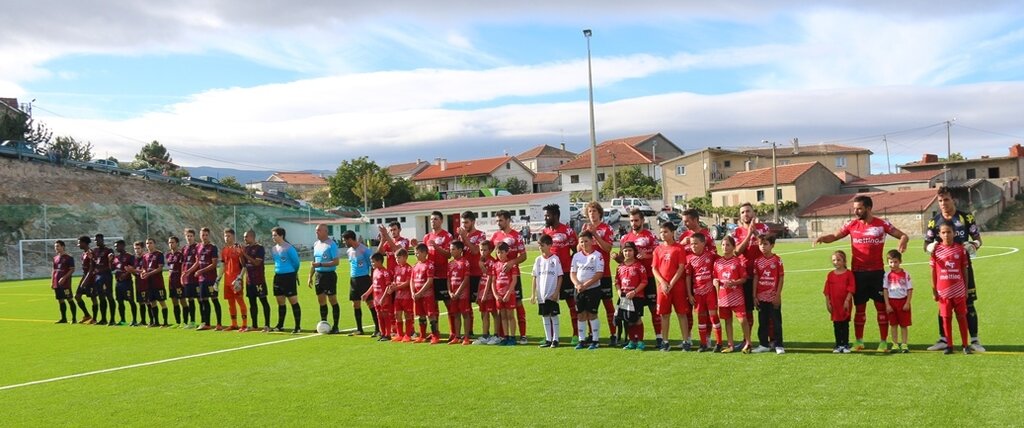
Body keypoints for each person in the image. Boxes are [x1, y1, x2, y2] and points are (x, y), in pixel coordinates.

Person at [814, 195, 909, 352]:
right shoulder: (852, 224)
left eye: (859, 208)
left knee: (881, 308)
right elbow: (836, 236)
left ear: (868, 208)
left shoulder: (881, 224)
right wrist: (823, 238)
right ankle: (859, 341)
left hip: (877, 273)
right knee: (860, 309)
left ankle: (883, 342)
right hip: (858, 274)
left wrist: (903, 241)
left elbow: (902, 235)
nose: (856, 211)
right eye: (855, 208)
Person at [923, 187, 985, 352]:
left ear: (953, 200)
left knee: (968, 302)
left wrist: (973, 245)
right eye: (940, 200)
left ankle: (974, 340)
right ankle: (944, 339)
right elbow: (926, 244)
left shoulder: (966, 217)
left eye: (946, 200)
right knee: (943, 303)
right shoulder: (934, 221)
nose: (943, 203)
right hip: (942, 271)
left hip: (962, 267)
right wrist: (931, 246)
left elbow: (978, 239)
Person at [615, 208, 662, 347]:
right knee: (631, 312)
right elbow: (622, 259)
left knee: (654, 308)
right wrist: (616, 258)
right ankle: (633, 339)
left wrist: (647, 256)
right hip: (630, 283)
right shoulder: (625, 238)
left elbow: (658, 253)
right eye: (631, 220)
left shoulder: (650, 236)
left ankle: (659, 337)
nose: (634, 223)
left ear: (642, 220)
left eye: (636, 220)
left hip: (648, 277)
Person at [931, 222, 972, 355]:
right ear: (939, 234)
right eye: (943, 232)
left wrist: (965, 289)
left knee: (962, 317)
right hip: (943, 292)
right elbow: (933, 272)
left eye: (949, 232)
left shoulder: (960, 250)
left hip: (959, 290)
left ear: (954, 233)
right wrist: (934, 290)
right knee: (946, 318)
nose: (946, 235)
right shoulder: (935, 251)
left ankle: (965, 344)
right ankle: (949, 345)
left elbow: (964, 271)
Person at [580, 202, 617, 346]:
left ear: (599, 213)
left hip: (604, 274)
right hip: (588, 275)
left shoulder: (606, 228)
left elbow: (608, 248)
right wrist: (583, 237)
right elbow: (579, 249)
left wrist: (595, 233)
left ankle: (613, 334)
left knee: (608, 306)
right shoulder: (585, 228)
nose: (592, 214)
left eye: (594, 211)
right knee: (589, 308)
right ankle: (591, 334)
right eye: (589, 211)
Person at [541, 203, 578, 344]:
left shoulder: (567, 231)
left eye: (548, 215)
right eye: (545, 215)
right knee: (549, 305)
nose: (546, 218)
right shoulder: (545, 232)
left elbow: (576, 250)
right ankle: (550, 337)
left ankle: (576, 334)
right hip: (550, 276)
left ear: (555, 215)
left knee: (572, 304)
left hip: (566, 273)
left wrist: (571, 266)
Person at [491, 210, 528, 345]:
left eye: (500, 220)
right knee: (502, 308)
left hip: (513, 276)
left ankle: (522, 335)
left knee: (517, 304)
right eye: (497, 221)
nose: (498, 223)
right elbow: (488, 252)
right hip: (500, 277)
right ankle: (504, 336)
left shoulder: (516, 236)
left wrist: (512, 262)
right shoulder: (495, 236)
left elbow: (524, 256)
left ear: (507, 220)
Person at [734, 203, 770, 333]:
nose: (745, 214)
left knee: (765, 308)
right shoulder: (737, 231)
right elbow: (736, 252)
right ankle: (747, 340)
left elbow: (768, 246)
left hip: (763, 275)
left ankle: (769, 340)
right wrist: (748, 235)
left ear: (753, 213)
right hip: (745, 275)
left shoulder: (763, 227)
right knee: (747, 309)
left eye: (748, 211)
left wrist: (755, 233)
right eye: (742, 212)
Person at [653, 222, 688, 352]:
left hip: (677, 286)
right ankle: (665, 341)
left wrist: (671, 283)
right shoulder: (658, 249)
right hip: (663, 288)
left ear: (673, 232)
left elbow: (681, 268)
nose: (663, 234)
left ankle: (686, 341)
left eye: (666, 232)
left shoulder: (679, 248)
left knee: (681, 314)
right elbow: (654, 268)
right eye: (661, 232)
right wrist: (662, 282)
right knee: (664, 315)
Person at [713, 236, 749, 353]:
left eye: (728, 245)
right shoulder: (717, 262)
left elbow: (744, 278)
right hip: (723, 296)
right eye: (723, 245)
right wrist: (715, 281)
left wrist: (734, 282)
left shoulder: (738, 261)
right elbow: (715, 277)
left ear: (733, 247)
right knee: (727, 321)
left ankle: (748, 343)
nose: (725, 247)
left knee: (742, 320)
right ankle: (731, 345)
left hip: (736, 296)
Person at [685, 233, 721, 352]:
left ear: (703, 243)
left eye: (695, 243)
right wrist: (689, 294)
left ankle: (719, 343)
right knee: (701, 318)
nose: (693, 246)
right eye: (691, 244)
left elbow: (722, 264)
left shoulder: (711, 256)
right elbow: (688, 277)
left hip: (710, 291)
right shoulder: (689, 258)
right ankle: (703, 344)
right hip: (698, 293)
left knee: (713, 317)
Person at [570, 231, 604, 350]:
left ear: (592, 241)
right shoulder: (576, 256)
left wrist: (585, 285)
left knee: (592, 314)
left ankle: (595, 340)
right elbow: (572, 273)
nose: (584, 244)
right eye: (581, 242)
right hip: (579, 290)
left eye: (586, 241)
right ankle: (581, 340)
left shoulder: (597, 255)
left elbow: (599, 274)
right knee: (581, 314)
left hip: (593, 289)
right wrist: (577, 284)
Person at [456, 211, 487, 340]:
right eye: (462, 223)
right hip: (466, 275)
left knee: (482, 303)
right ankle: (470, 331)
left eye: (466, 222)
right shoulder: (460, 237)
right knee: (466, 304)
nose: (464, 225)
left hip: (478, 274)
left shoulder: (481, 235)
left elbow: (475, 251)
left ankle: (487, 332)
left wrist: (465, 238)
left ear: (473, 222)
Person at [752, 235, 785, 354]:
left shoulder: (777, 260)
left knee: (776, 322)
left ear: (772, 245)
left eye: (765, 244)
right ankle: (763, 344)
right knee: (763, 322)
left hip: (773, 296)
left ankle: (779, 345)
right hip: (761, 297)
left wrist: (777, 295)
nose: (763, 247)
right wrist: (754, 296)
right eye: (761, 244)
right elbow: (756, 277)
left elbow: (781, 278)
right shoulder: (757, 261)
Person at [423, 211, 453, 338]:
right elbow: (424, 256)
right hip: (431, 276)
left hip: (443, 275)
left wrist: (436, 247)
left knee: (448, 304)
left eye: (435, 219)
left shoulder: (447, 236)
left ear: (441, 221)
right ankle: (435, 332)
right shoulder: (426, 237)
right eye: (431, 219)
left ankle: (453, 332)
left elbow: (449, 255)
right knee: (433, 305)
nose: (433, 221)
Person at [378, 221, 411, 338]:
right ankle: (395, 328)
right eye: (391, 230)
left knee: (405, 305)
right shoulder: (387, 241)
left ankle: (409, 329)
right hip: (390, 277)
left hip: (401, 276)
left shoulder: (404, 241)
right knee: (391, 304)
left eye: (395, 229)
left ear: (400, 230)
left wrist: (386, 237)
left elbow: (396, 250)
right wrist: (382, 239)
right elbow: (379, 254)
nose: (393, 232)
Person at [308, 224, 341, 334]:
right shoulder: (316, 244)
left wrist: (321, 264)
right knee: (321, 300)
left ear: (325, 231)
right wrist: (310, 276)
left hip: (329, 276)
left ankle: (336, 326)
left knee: (332, 300)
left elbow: (336, 262)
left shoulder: (331, 245)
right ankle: (323, 324)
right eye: (316, 231)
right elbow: (314, 262)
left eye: (318, 231)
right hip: (318, 275)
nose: (316, 233)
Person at [531, 234, 562, 348]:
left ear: (549, 245)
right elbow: (534, 276)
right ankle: (548, 339)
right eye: (539, 245)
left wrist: (556, 292)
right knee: (545, 316)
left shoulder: (555, 259)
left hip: (552, 293)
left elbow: (560, 276)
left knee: (553, 315)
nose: (540, 248)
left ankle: (556, 339)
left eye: (542, 245)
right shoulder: (538, 260)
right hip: (541, 295)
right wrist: (533, 294)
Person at [343, 230, 376, 336]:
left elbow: (372, 266)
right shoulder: (349, 251)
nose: (344, 243)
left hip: (364, 279)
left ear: (350, 239)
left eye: (345, 240)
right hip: (353, 280)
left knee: (370, 303)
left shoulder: (364, 250)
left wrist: (372, 279)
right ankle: (359, 329)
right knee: (355, 304)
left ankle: (378, 329)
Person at [615, 242, 648, 350]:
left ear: (634, 252)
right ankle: (632, 341)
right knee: (627, 319)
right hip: (624, 297)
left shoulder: (639, 266)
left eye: (630, 250)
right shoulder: (620, 267)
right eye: (625, 251)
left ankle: (640, 341)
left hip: (636, 296)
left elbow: (644, 281)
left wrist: (634, 292)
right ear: (622, 252)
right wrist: (619, 292)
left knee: (637, 319)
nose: (627, 253)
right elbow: (617, 281)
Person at [270, 227, 302, 333]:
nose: (273, 237)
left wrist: (294, 273)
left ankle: (297, 326)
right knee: (280, 301)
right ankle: (280, 325)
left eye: (275, 235)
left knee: (293, 301)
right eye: (273, 235)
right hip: (278, 277)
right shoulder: (274, 249)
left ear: (281, 236)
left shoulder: (289, 248)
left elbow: (296, 263)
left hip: (289, 276)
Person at [824, 250, 855, 353]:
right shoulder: (830, 275)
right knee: (836, 324)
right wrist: (828, 302)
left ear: (844, 261)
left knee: (845, 324)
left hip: (845, 304)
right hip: (835, 304)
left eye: (838, 260)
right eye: (834, 260)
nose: (836, 262)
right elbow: (827, 291)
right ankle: (838, 345)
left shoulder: (849, 274)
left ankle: (845, 344)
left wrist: (847, 300)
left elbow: (851, 288)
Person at [192, 228, 223, 331]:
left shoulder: (213, 247)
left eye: (206, 235)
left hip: (210, 279)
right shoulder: (198, 247)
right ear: (200, 236)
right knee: (204, 301)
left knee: (214, 300)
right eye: (202, 235)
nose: (204, 237)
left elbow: (214, 264)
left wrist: (201, 271)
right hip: (201, 280)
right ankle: (207, 323)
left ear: (209, 236)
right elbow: (197, 262)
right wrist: (187, 272)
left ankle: (219, 324)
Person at [241, 230, 272, 332]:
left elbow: (256, 263)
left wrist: (244, 254)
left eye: (246, 237)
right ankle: (254, 325)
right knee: (252, 303)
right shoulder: (245, 248)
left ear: (252, 237)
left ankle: (267, 325)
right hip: (249, 281)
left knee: (263, 301)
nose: (244, 239)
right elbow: (244, 265)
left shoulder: (259, 248)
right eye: (244, 237)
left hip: (259, 280)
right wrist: (240, 255)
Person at [411, 243, 440, 344]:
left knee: (431, 315)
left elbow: (430, 281)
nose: (416, 255)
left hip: (427, 295)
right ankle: (422, 336)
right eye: (415, 253)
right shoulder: (415, 266)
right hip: (417, 295)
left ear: (424, 253)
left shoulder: (429, 265)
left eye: (417, 253)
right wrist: (412, 292)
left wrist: (420, 292)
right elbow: (412, 280)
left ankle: (435, 336)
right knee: (421, 315)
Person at [473, 240, 500, 345]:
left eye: (485, 250)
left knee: (493, 313)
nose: (482, 252)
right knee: (484, 313)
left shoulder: (491, 261)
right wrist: (479, 292)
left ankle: (496, 334)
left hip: (489, 292)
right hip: (482, 291)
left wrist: (484, 293)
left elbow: (489, 277)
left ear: (490, 250)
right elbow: (482, 278)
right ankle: (485, 335)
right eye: (481, 250)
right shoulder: (482, 261)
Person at [220, 229, 248, 331]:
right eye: (225, 236)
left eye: (229, 236)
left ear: (233, 236)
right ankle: (234, 324)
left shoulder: (238, 248)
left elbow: (244, 266)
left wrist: (240, 278)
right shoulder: (224, 249)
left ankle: (244, 325)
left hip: (236, 280)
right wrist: (218, 279)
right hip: (227, 280)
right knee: (230, 303)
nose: (227, 238)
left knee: (240, 301)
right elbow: (223, 265)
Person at [492, 243, 519, 346]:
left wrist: (508, 293)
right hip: (499, 295)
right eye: (498, 252)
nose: (500, 255)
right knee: (502, 316)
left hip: (509, 294)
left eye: (502, 252)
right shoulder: (495, 265)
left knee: (510, 316)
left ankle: (512, 337)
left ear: (507, 252)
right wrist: (496, 295)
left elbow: (514, 280)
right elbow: (493, 281)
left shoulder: (511, 264)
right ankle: (505, 336)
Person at [362, 252, 393, 342]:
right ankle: (382, 333)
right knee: (379, 315)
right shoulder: (375, 271)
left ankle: (388, 334)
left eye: (373, 262)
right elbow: (373, 284)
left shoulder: (385, 272)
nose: (372, 264)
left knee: (385, 315)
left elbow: (388, 286)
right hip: (376, 298)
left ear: (380, 261)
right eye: (371, 262)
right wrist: (367, 293)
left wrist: (383, 297)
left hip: (384, 298)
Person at [447, 241, 472, 345]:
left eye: (453, 249)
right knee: (456, 314)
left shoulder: (465, 262)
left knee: (465, 314)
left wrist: (458, 291)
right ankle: (457, 336)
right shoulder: (450, 263)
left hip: (462, 293)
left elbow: (466, 279)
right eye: (450, 249)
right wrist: (449, 292)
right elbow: (448, 279)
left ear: (460, 250)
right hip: (453, 294)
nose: (451, 251)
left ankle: (466, 337)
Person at [140, 238, 169, 327]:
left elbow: (160, 268)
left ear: (154, 244)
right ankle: (155, 322)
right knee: (152, 302)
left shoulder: (159, 254)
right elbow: (144, 268)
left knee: (161, 302)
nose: (149, 245)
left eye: (150, 243)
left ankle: (165, 322)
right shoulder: (145, 256)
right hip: (149, 283)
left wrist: (148, 273)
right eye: (147, 243)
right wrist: (143, 273)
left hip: (158, 282)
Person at [390, 248, 415, 342]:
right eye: (396, 258)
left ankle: (408, 335)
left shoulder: (409, 268)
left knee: (407, 315)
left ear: (405, 257)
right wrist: (393, 285)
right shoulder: (396, 268)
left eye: (399, 257)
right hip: (398, 296)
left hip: (406, 297)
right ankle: (400, 334)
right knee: (397, 315)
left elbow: (408, 282)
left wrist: (396, 287)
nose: (397, 260)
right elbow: (395, 281)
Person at [92, 234, 116, 325]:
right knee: (101, 298)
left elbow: (111, 266)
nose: (96, 242)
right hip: (98, 277)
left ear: (102, 240)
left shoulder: (109, 251)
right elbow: (94, 263)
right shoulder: (95, 251)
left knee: (109, 296)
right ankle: (103, 319)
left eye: (97, 240)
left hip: (106, 277)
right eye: (95, 240)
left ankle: (112, 319)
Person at [112, 240, 137, 326]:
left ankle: (134, 320)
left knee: (131, 301)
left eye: (117, 246)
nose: (115, 248)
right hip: (118, 283)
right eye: (115, 246)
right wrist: (109, 260)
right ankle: (123, 320)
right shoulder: (116, 257)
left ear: (122, 246)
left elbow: (133, 267)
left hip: (127, 282)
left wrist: (125, 274)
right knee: (120, 302)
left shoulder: (129, 256)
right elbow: (112, 268)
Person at [51, 240, 76, 323]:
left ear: (63, 247)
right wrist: (52, 281)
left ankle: (74, 319)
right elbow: (54, 270)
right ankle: (63, 318)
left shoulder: (69, 258)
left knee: (69, 299)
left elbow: (72, 269)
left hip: (65, 284)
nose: (56, 248)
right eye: (55, 246)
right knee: (60, 300)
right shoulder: (55, 258)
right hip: (57, 283)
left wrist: (64, 278)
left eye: (58, 246)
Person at [180, 228, 201, 328]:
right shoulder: (184, 248)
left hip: (195, 278)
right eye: (187, 236)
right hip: (187, 279)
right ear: (185, 237)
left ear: (194, 236)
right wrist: (182, 275)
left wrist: (188, 272)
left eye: (191, 236)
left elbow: (198, 262)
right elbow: (183, 263)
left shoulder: (197, 247)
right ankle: (192, 321)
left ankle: (204, 321)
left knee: (199, 299)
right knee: (190, 300)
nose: (189, 238)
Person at [73, 236, 96, 324]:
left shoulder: (91, 253)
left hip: (91, 278)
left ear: (85, 243)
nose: (78, 245)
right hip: (84, 276)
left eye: (79, 243)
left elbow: (91, 269)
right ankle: (87, 315)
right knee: (77, 296)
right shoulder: (84, 253)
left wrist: (85, 281)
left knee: (93, 298)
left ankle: (94, 318)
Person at [165, 236, 186, 327]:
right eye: (169, 242)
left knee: (183, 301)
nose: (171, 244)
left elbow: (183, 267)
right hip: (171, 282)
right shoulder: (168, 255)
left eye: (172, 242)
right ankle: (177, 322)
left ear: (177, 243)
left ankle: (185, 322)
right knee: (174, 301)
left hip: (179, 281)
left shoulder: (181, 254)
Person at [129, 241, 149, 326]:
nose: (136, 250)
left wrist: (133, 270)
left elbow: (145, 270)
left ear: (143, 249)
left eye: (138, 248)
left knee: (148, 302)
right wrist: (131, 271)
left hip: (146, 283)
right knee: (140, 302)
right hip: (138, 283)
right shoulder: (135, 259)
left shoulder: (146, 257)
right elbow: (136, 273)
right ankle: (143, 321)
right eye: (135, 249)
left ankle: (153, 320)